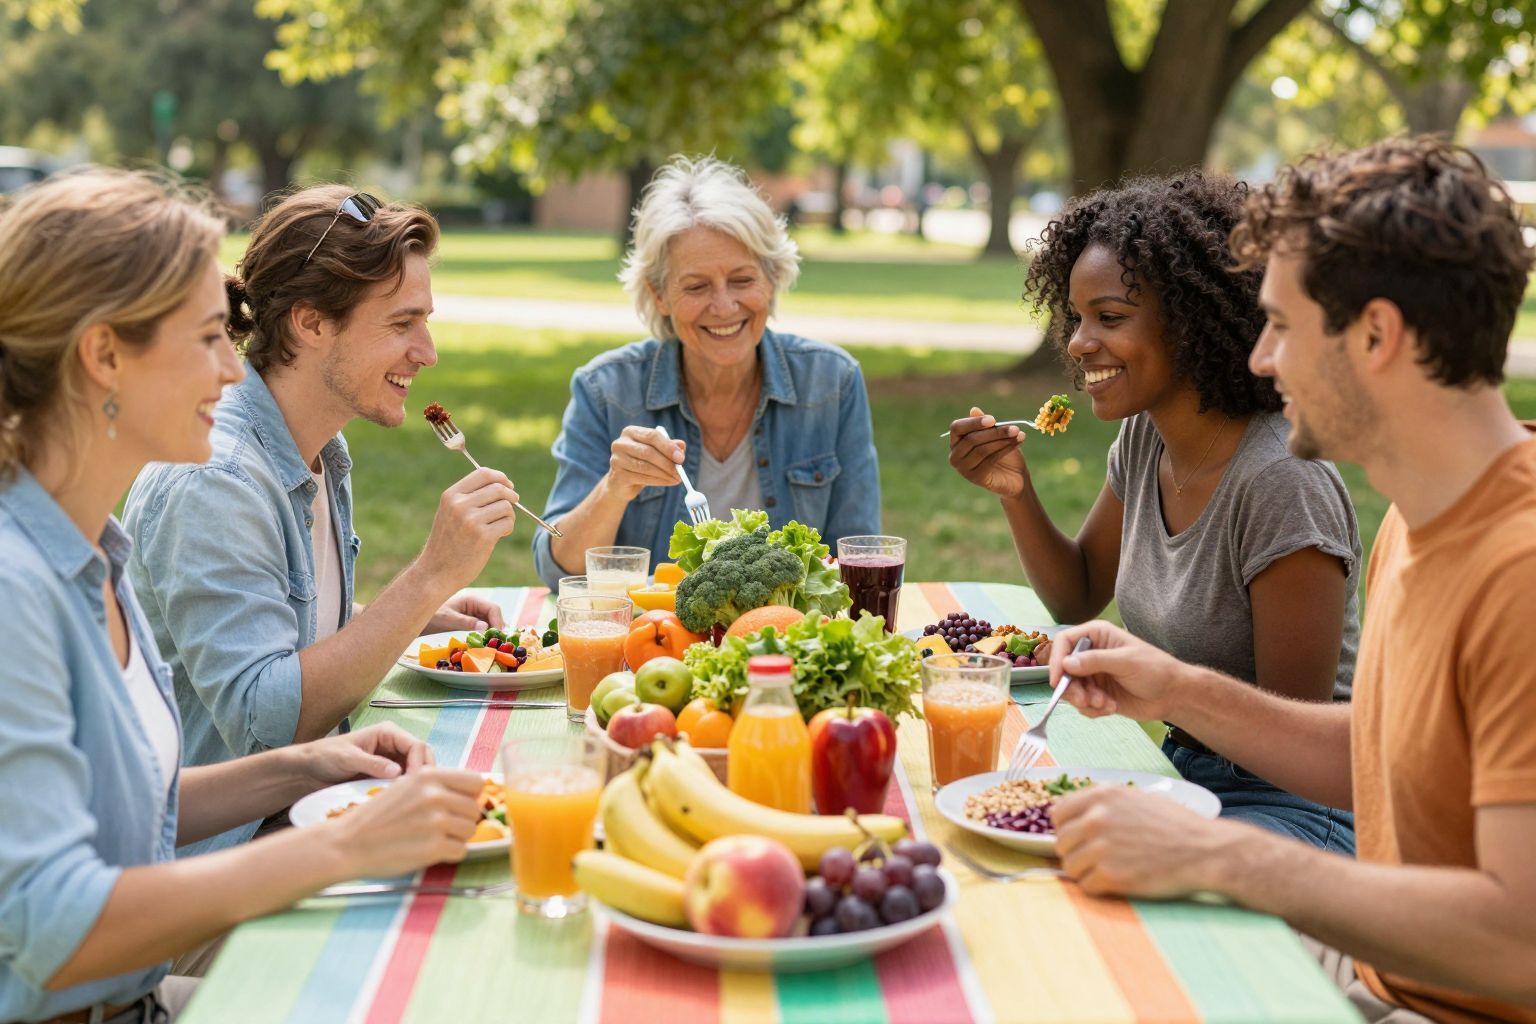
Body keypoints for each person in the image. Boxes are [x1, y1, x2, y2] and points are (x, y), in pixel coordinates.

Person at [1047, 138, 1536, 1023]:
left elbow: (1521, 944)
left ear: (1377, 335)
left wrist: (1217, 855)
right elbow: (1387, 752)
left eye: (1280, 324)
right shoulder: (1416, 523)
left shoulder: (1521, 575)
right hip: (1384, 977)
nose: (1261, 357)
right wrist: (1178, 686)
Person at [0, 168, 484, 1024]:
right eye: (207, 339)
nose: (235, 370)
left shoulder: (90, 554)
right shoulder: (18, 591)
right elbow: (53, 927)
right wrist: (341, 845)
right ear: (104, 355)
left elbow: (134, 810)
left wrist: (308, 766)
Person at [946, 172, 1359, 851]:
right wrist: (1016, 491)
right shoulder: (1145, 438)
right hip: (1185, 773)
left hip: (1295, 813)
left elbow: (1299, 737)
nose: (1079, 342)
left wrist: (1169, 692)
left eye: (1109, 318)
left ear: (1192, 323)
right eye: (1075, 317)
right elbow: (1078, 592)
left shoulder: (1282, 481)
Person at [124, 185, 521, 854]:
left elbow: (281, 623)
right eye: (401, 324)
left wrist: (401, 617)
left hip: (305, 812)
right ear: (310, 323)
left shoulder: (317, 452)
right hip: (225, 860)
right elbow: (271, 722)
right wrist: (426, 579)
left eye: (426, 321)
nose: (427, 351)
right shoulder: (216, 480)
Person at [533, 155, 880, 588]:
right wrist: (615, 487)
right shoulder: (605, 391)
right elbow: (558, 569)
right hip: (654, 646)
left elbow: (859, 559)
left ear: (771, 279)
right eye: (696, 287)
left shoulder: (832, 382)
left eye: (742, 280)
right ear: (658, 294)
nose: (724, 307)